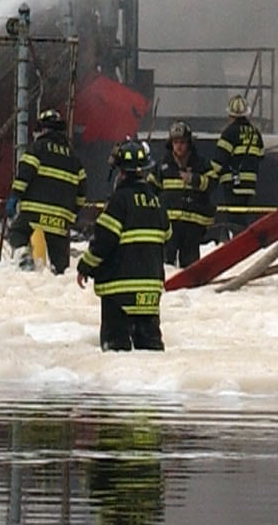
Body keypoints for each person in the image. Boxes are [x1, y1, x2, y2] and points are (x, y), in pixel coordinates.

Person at [79, 139, 169, 350]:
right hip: (150, 291)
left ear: (120, 172)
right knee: (150, 354)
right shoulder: (156, 203)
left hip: (118, 292)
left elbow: (103, 241)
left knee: (117, 354)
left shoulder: (119, 202)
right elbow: (167, 234)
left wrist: (85, 267)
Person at [10, 107, 81, 274]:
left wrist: (15, 197)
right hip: (61, 217)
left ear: (42, 129)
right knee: (60, 263)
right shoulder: (73, 157)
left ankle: (25, 258)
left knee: (17, 233)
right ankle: (60, 274)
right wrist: (73, 211)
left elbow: (24, 175)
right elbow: (82, 189)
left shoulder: (37, 149)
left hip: (34, 211)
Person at [208, 96, 268, 237]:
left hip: (232, 184)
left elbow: (219, 162)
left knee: (234, 218)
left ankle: (239, 244)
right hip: (250, 184)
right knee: (243, 215)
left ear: (230, 115)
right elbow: (260, 155)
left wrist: (208, 177)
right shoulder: (255, 133)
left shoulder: (229, 133)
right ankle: (243, 239)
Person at [158, 123, 214, 267]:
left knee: (191, 266)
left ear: (189, 143)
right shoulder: (163, 165)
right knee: (166, 264)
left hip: (192, 226)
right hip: (169, 225)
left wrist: (195, 179)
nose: (179, 146)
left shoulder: (201, 164)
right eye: (175, 142)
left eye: (182, 142)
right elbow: (151, 189)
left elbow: (213, 183)